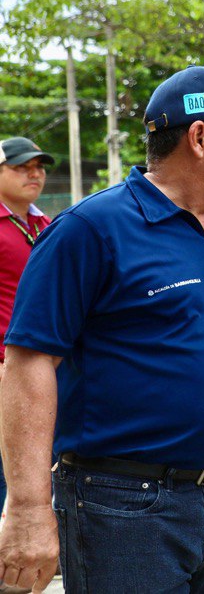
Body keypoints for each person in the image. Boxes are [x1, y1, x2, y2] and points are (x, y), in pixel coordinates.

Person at [0, 66, 204, 594]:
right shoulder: (91, 230)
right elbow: (27, 363)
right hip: (122, 504)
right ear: (200, 136)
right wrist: (26, 508)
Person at [0, 138, 56, 517]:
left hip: (43, 371)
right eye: (21, 167)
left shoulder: (47, 224)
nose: (34, 173)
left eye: (39, 166)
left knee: (34, 466)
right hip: (5, 367)